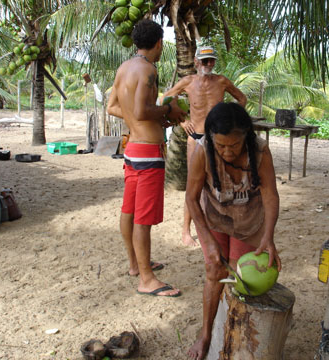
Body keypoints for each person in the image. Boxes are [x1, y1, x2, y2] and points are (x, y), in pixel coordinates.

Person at [185, 102, 281, 360]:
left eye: (234, 145)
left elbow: (270, 196)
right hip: (215, 220)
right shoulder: (203, 150)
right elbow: (192, 198)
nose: (227, 152)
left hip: (249, 222)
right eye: (221, 145)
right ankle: (206, 335)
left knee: (242, 279)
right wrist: (206, 239)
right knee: (214, 271)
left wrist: (268, 237)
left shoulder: (260, 152)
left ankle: (233, 334)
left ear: (246, 138)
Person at [107, 19, 186, 297]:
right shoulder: (148, 70)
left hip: (132, 151)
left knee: (129, 211)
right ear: (159, 44)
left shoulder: (124, 68)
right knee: (143, 219)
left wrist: (141, 117)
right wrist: (168, 112)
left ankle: (135, 265)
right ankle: (147, 279)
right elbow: (142, 111)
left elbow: (113, 107)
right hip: (149, 153)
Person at [162, 46, 247, 247]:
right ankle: (186, 232)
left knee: (221, 182)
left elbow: (241, 99)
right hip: (196, 136)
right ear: (196, 61)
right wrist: (181, 121)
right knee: (194, 186)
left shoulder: (222, 81)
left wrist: (231, 119)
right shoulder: (188, 82)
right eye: (205, 60)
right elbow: (165, 99)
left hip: (217, 137)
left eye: (211, 61)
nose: (209, 64)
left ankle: (217, 226)